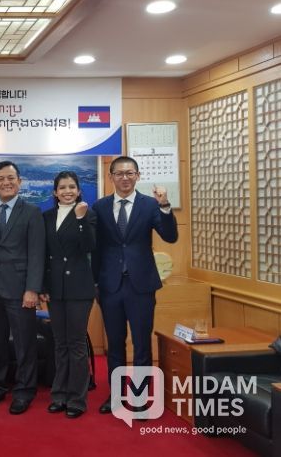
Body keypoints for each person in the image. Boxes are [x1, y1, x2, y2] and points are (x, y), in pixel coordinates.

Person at [92, 156, 178, 414]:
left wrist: (165, 206)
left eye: (130, 173)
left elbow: (170, 236)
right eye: (119, 173)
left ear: (138, 176)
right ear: (111, 177)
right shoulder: (100, 206)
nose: (125, 178)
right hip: (110, 286)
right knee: (115, 344)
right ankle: (117, 396)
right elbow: (95, 249)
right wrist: (96, 282)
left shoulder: (150, 204)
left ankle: (140, 398)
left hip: (141, 286)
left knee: (141, 344)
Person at [0, 160, 45, 415]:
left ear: (19, 181)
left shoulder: (32, 211)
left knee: (24, 344)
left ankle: (24, 391)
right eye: (0, 179)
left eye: (10, 178)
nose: (6, 182)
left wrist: (32, 289)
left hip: (20, 289)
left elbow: (37, 253)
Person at [40, 171, 97, 419]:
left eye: (72, 187)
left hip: (79, 287)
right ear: (55, 192)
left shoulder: (88, 213)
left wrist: (81, 219)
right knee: (60, 343)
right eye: (62, 187)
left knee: (76, 343)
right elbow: (42, 254)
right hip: (55, 288)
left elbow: (90, 246)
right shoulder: (46, 216)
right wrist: (42, 286)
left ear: (79, 191)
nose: (67, 191)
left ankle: (77, 399)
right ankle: (59, 395)